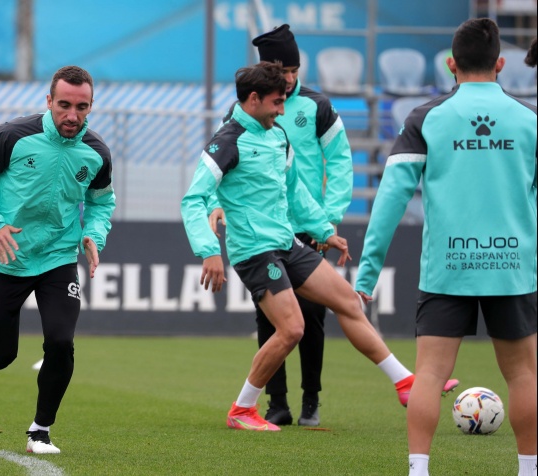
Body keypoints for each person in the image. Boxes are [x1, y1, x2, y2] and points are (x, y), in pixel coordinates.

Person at [180, 61, 457, 432]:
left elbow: (296, 192)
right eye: (277, 102)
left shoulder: (278, 135)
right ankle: (242, 409)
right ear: (253, 99)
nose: (282, 110)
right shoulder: (227, 142)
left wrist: (325, 231)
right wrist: (209, 250)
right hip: (255, 251)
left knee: (348, 301)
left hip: (287, 242)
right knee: (292, 328)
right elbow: (193, 199)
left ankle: (404, 382)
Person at [355, 18, 536, 476]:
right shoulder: (530, 120)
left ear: (451, 64)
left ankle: (418, 470)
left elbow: (390, 199)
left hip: (449, 264)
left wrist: (367, 273)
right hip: (511, 266)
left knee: (430, 374)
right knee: (523, 374)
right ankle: (530, 470)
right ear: (500, 64)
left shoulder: (425, 118)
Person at [0, 65, 116, 454]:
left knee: (61, 342)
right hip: (7, 257)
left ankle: (40, 431)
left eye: (81, 107)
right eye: (64, 105)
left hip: (58, 258)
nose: (72, 115)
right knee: (3, 354)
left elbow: (101, 203)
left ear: (91, 105)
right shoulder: (12, 135)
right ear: (49, 101)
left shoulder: (97, 153)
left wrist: (94, 235)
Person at [208, 24, 353, 427]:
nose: (288, 79)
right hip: (262, 227)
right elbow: (221, 166)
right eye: (281, 70)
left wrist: (329, 218)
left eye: (293, 70)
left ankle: (311, 398)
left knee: (312, 314)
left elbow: (340, 161)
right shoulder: (244, 110)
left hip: (307, 224)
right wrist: (218, 206)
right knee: (270, 318)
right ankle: (276, 402)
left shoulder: (317, 106)